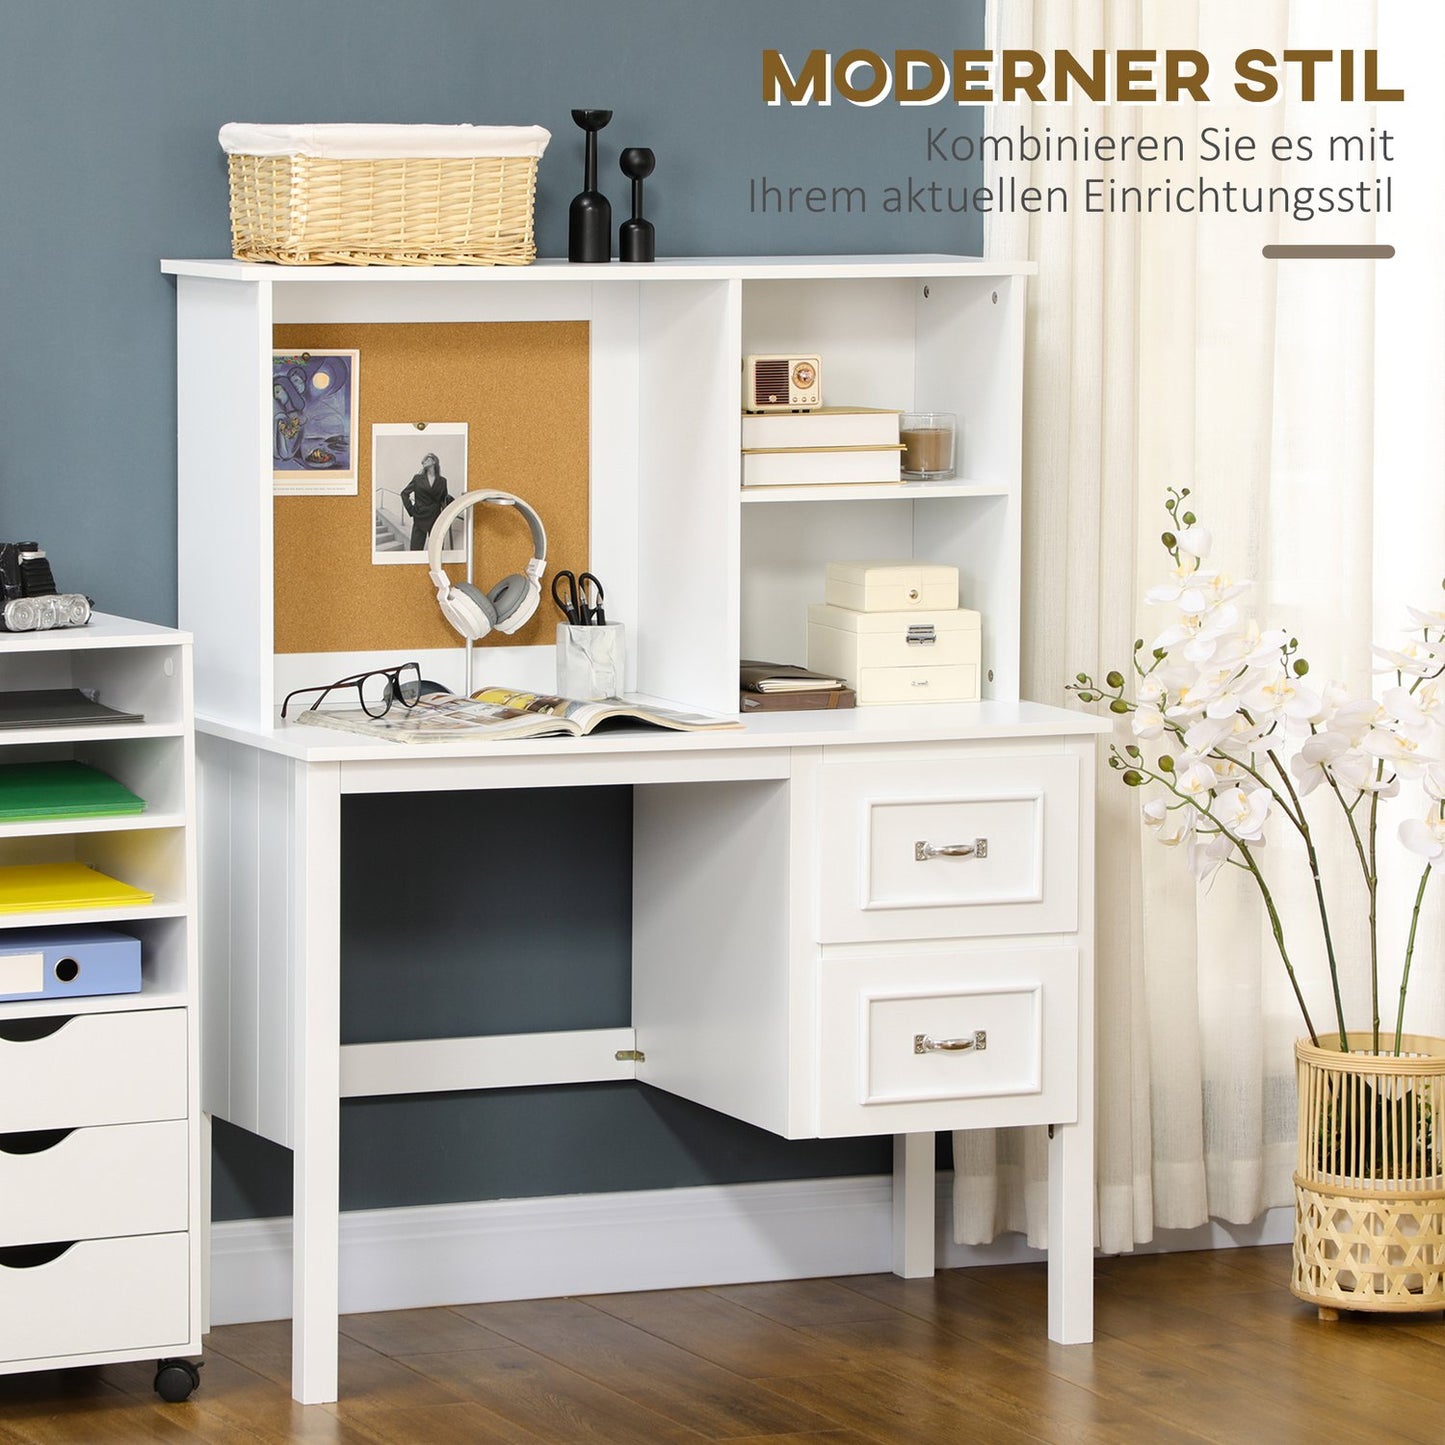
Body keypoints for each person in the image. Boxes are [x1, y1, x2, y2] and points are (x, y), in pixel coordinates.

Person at [399, 453, 452, 551]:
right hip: (420, 517)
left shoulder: (442, 481)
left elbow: (443, 499)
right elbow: (404, 494)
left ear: (434, 461)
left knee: (437, 549)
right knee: (415, 549)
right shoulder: (417, 478)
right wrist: (412, 511)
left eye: (427, 459)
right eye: (423, 461)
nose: (424, 461)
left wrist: (448, 507)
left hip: (436, 518)